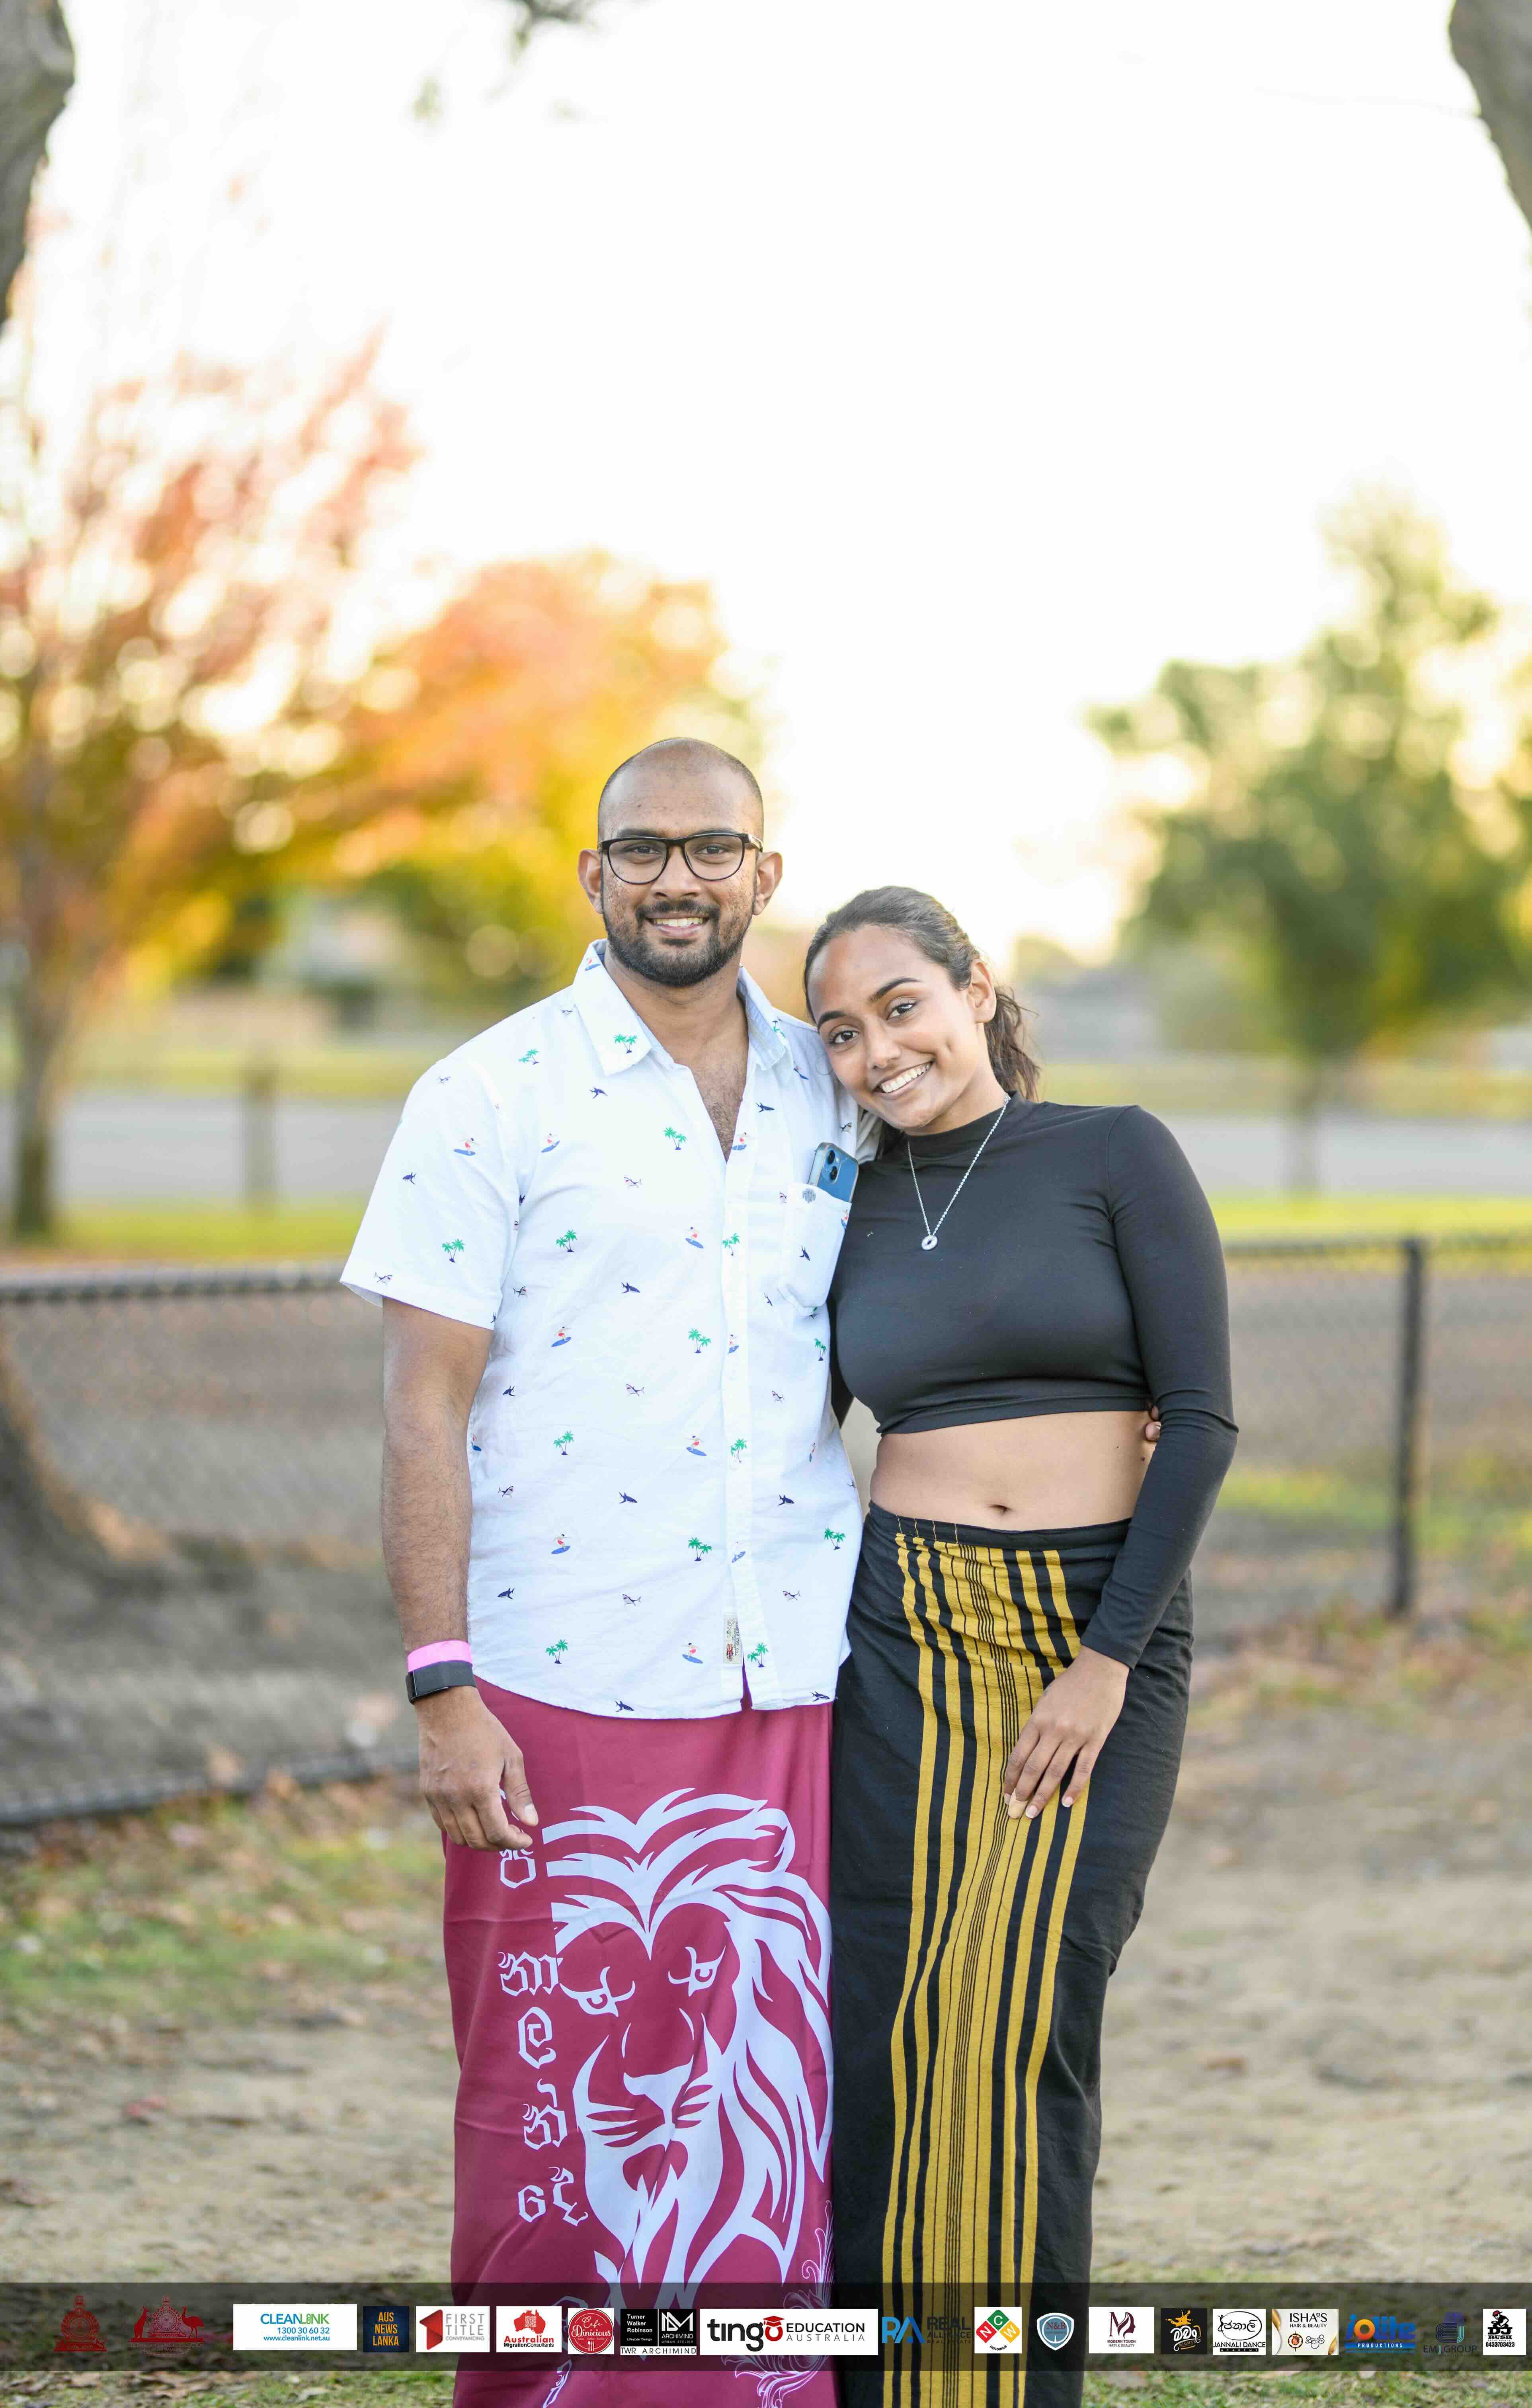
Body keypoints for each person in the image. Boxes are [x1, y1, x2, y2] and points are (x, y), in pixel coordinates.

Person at [340, 739, 865, 2405]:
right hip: (555, 1682)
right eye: (642, 849)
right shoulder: (487, 1092)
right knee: (548, 2115)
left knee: (762, 2096)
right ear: (593, 876)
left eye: (714, 849)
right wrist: (443, 1687)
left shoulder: (832, 1089)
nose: (677, 880)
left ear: (764, 877)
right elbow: (422, 1409)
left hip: (784, 1670)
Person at [806, 887, 1237, 2408]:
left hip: (1091, 1635)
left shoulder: (1114, 1152)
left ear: (978, 992)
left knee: (1034, 2014)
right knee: (895, 2014)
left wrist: (1108, 1659)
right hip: (905, 1636)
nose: (878, 1051)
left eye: (902, 1006)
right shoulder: (838, 1201)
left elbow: (1201, 1421)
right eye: (843, 1033)